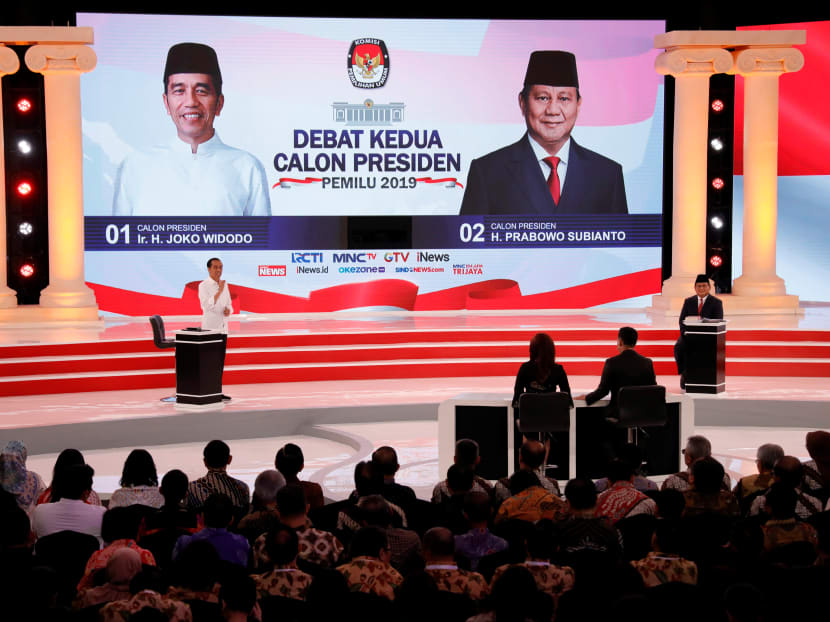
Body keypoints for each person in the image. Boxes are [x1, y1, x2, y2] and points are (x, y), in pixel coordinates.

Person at [460, 50, 627, 216]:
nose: (553, 110)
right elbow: (465, 241)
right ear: (522, 103)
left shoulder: (607, 175)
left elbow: (624, 241)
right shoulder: (488, 172)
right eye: (542, 98)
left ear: (578, 104)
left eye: (564, 99)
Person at [112, 42, 271, 216]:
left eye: (202, 91)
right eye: (179, 91)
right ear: (166, 102)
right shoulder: (135, 166)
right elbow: (119, 240)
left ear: (219, 103)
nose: (191, 102)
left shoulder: (246, 167)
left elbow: (263, 240)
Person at [674, 274, 724, 389]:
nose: (701, 288)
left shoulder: (716, 303)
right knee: (678, 347)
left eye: (704, 286)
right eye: (699, 286)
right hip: (689, 336)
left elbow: (718, 322)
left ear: (709, 287)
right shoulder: (688, 301)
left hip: (707, 338)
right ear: (695, 287)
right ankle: (684, 373)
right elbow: (682, 320)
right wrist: (685, 334)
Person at [199, 257, 233, 402]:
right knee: (209, 362)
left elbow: (229, 304)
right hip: (210, 330)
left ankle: (217, 391)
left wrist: (228, 310)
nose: (218, 270)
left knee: (219, 362)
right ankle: (207, 391)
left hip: (223, 329)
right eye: (215, 267)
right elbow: (207, 306)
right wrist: (218, 291)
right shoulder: (203, 286)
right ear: (209, 269)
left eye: (220, 267)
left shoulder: (225, 285)